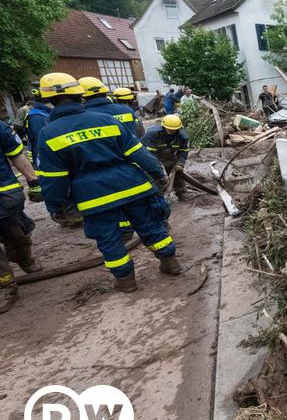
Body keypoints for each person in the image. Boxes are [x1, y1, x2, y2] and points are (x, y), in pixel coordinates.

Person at [36, 72, 181, 293]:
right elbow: (138, 153)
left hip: (93, 197)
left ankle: (126, 282)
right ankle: (170, 263)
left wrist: (56, 206)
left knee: (109, 240)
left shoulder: (48, 133)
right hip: (133, 186)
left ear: (48, 100)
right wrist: (159, 175)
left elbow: (54, 179)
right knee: (151, 227)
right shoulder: (106, 120)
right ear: (79, 95)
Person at [0, 120, 43, 312]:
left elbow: (15, 154)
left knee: (17, 234)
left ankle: (23, 259)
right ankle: (6, 285)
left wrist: (33, 180)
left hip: (4, 195)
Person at [142, 115, 190, 200]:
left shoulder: (183, 136)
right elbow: (151, 153)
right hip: (149, 154)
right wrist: (158, 166)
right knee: (156, 174)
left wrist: (180, 164)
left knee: (177, 170)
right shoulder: (154, 134)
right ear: (163, 126)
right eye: (169, 129)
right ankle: (158, 195)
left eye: (173, 130)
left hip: (168, 154)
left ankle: (181, 191)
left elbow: (183, 151)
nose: (171, 131)